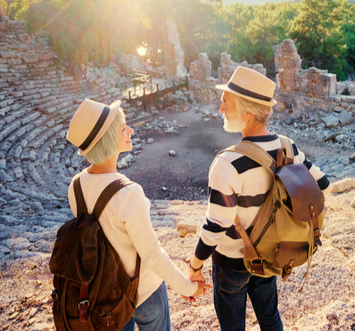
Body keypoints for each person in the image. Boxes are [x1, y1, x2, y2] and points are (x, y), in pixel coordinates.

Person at [185, 67, 330, 331]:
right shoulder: (287, 146)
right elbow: (322, 184)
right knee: (270, 317)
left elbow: (217, 224)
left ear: (247, 112)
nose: (220, 109)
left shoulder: (227, 162)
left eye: (225, 103)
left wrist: (195, 264)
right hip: (270, 253)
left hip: (231, 265)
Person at [66, 99, 211, 331]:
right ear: (110, 139)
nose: (130, 130)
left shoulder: (75, 186)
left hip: (104, 294)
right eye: (123, 127)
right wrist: (187, 286)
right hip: (143, 293)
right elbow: (152, 255)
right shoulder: (128, 193)